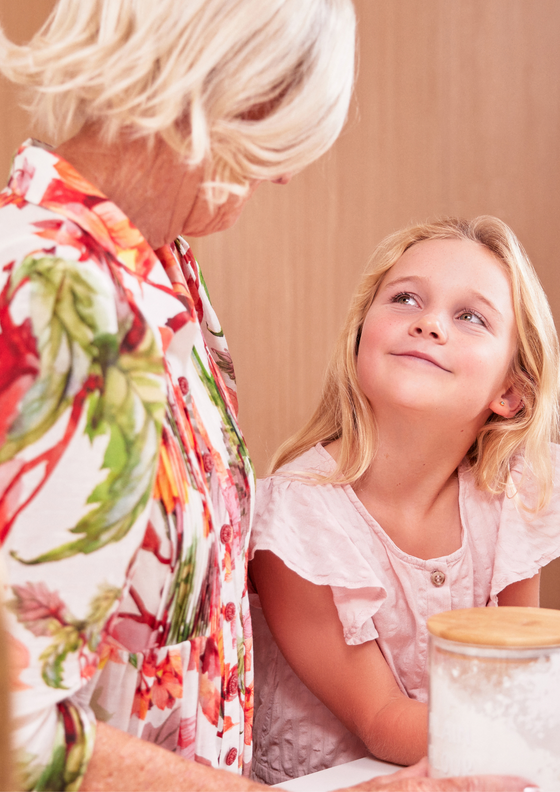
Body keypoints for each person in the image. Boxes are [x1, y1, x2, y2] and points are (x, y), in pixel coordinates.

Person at [0, 1, 537, 789]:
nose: (282, 172)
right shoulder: (57, 299)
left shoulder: (161, 267)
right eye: (279, 133)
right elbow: (18, 731)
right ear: (228, 92)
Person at [249, 216, 560, 785]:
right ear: (362, 335)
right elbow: (383, 719)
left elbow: (519, 675)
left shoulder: (512, 498)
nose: (429, 324)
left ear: (510, 392)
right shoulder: (297, 520)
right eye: (406, 298)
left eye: (470, 316)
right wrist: (534, 735)